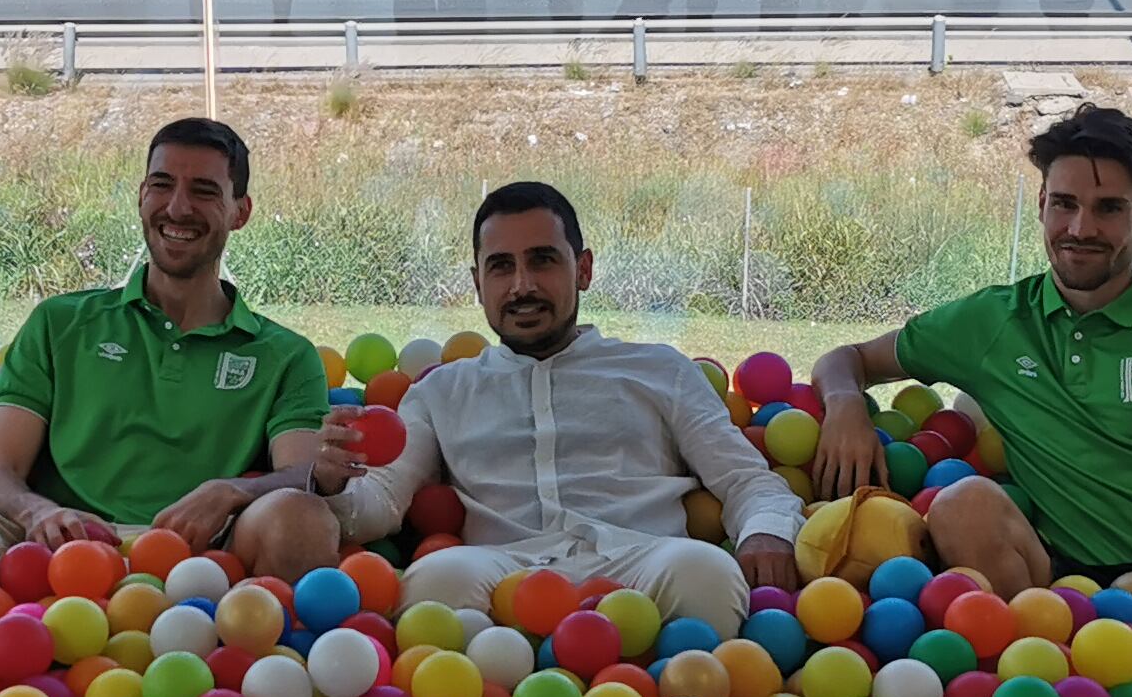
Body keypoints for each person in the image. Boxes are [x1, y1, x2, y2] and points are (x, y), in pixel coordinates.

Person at [808, 104, 1132, 655]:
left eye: (1109, 208)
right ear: (1042, 204)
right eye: (1065, 204)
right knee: (960, 504)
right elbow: (846, 358)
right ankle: (1032, 669)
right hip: (1050, 589)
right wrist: (845, 407)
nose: (1080, 229)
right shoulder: (993, 321)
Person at [0, 118, 350, 587]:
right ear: (140, 196)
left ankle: (250, 676)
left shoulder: (285, 355)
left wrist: (231, 491)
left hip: (203, 564)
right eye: (161, 185)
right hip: (46, 550)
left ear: (240, 212)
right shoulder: (61, 322)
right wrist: (37, 513)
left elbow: (297, 477)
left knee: (301, 520)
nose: (177, 208)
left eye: (204, 191)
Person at [327, 182, 799, 630]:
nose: (521, 285)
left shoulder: (660, 370)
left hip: (642, 562)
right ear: (477, 283)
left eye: (543, 261)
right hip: (504, 569)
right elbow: (382, 501)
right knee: (436, 582)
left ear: (584, 269)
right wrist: (332, 481)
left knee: (705, 572)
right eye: (501, 267)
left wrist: (766, 532)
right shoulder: (442, 392)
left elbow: (746, 479)